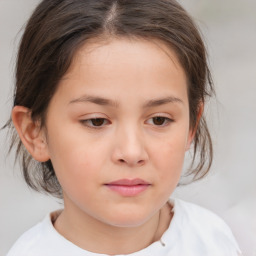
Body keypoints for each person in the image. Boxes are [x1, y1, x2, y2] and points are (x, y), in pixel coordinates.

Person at [5, 0, 242, 255]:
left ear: (191, 125)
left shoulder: (211, 239)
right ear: (35, 132)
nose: (131, 152)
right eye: (96, 121)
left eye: (159, 120)